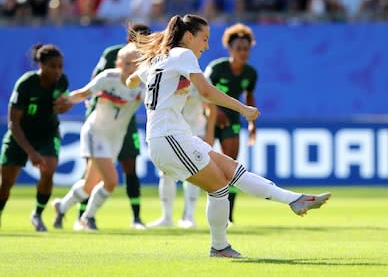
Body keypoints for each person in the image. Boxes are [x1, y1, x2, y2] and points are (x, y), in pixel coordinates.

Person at [127, 14, 331, 258]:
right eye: (204, 39)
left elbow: (131, 80)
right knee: (220, 188)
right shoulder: (183, 54)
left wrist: (128, 81)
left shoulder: (157, 58)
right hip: (168, 137)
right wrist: (243, 109)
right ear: (189, 37)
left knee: (234, 170)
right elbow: (207, 91)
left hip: (175, 136)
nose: (206, 46)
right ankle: (220, 247)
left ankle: (295, 199)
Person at [51, 44, 145, 231]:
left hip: (116, 138)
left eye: (135, 63)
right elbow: (84, 93)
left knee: (88, 185)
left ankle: (61, 207)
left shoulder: (144, 85)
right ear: (118, 64)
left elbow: (157, 104)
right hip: (95, 133)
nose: (130, 68)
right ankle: (88, 217)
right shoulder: (108, 78)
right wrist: (67, 99)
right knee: (111, 181)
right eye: (126, 63)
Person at [73, 23, 151, 230]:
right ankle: (82, 216)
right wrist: (90, 105)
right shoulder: (112, 56)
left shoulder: (149, 62)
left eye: (146, 42)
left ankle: (136, 218)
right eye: (139, 41)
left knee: (130, 167)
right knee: (92, 171)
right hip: (102, 120)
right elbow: (95, 83)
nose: (142, 46)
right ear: (129, 41)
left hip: (127, 122)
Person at [0, 44, 72, 232]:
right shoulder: (26, 84)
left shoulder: (61, 81)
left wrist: (65, 106)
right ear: (41, 65)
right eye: (53, 66)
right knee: (6, 183)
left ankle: (37, 214)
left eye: (60, 67)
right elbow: (13, 123)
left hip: (48, 133)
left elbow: (61, 103)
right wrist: (31, 152)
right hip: (20, 135)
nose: (57, 71)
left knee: (49, 170)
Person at [204, 23, 258, 224]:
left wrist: (252, 124)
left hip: (232, 121)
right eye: (239, 49)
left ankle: (228, 215)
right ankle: (189, 213)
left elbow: (249, 97)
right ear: (230, 49)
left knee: (231, 167)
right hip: (208, 119)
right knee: (198, 163)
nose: (243, 53)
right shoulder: (217, 68)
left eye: (246, 49)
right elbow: (203, 92)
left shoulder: (250, 74)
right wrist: (216, 112)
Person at [147, 82, 217, 229]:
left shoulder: (198, 79)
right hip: (172, 132)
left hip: (195, 132)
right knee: (166, 173)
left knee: (195, 173)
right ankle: (166, 217)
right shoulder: (167, 79)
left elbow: (211, 108)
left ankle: (189, 216)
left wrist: (210, 133)